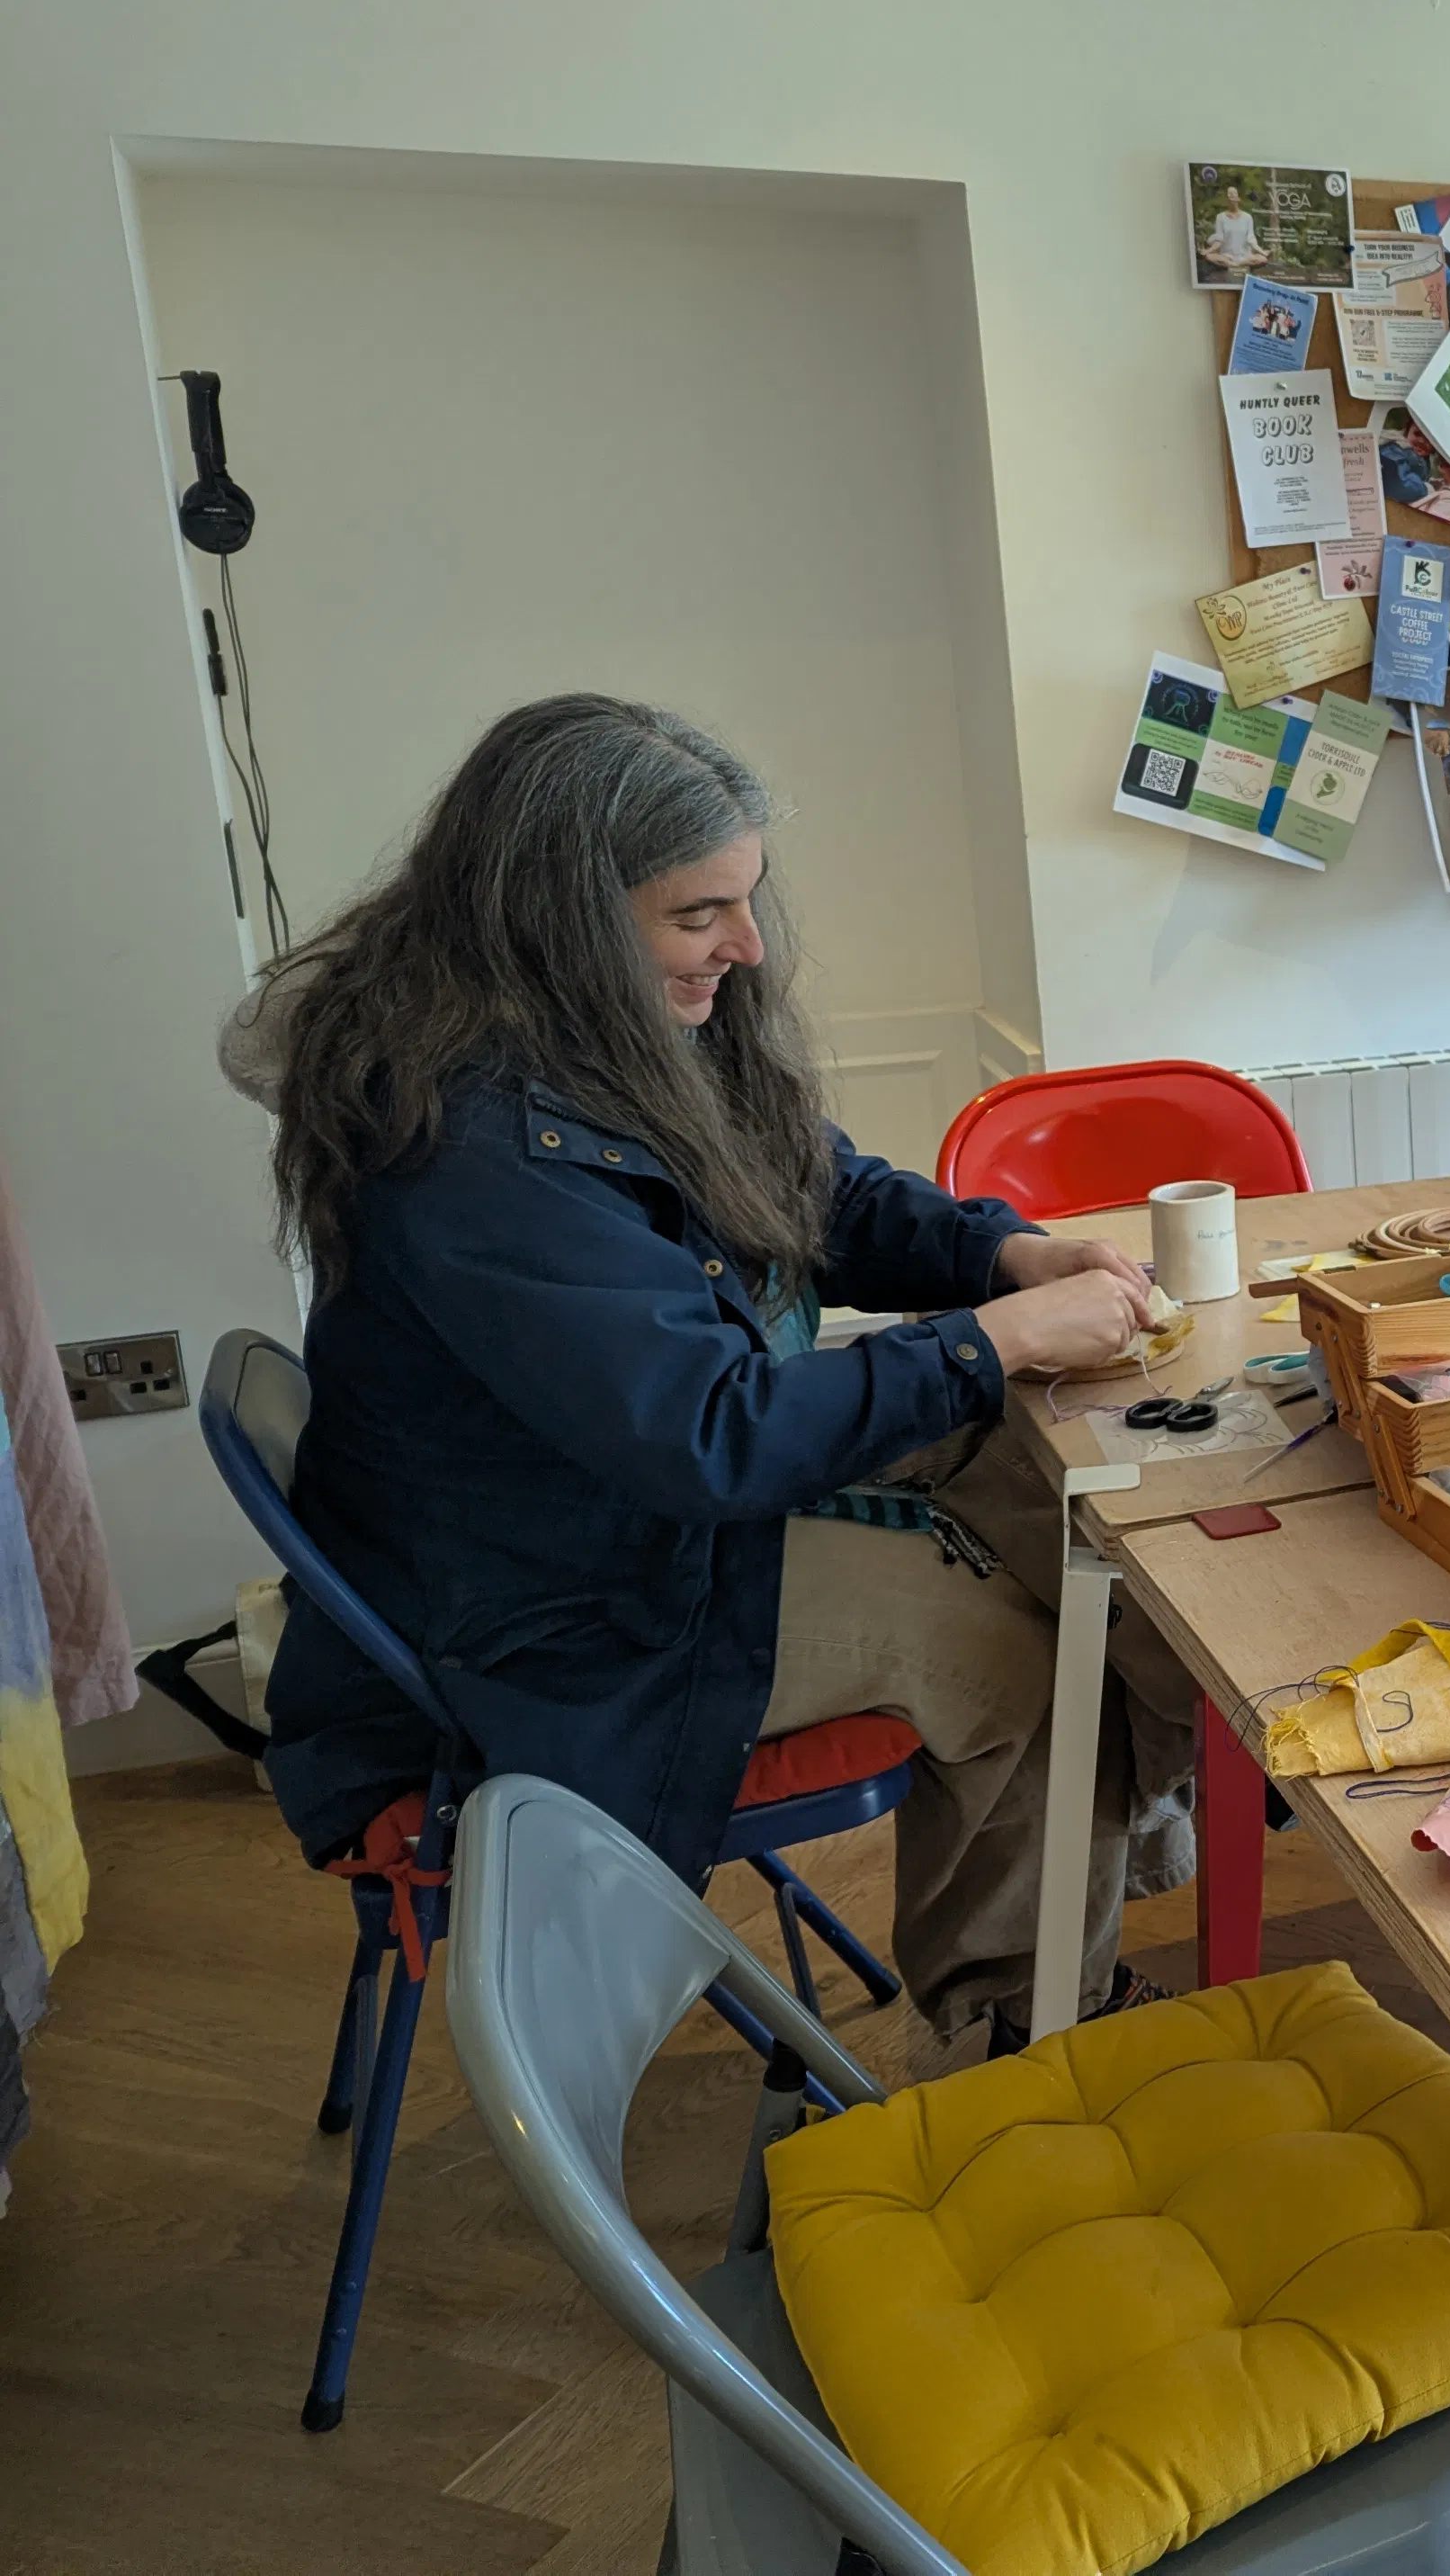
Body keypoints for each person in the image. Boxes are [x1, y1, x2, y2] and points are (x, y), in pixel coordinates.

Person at [226, 696, 1204, 2068]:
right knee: (1028, 1657)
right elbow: (710, 1438)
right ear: (566, 918)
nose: (743, 949)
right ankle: (1022, 2029)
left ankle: (1182, 1790)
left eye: (743, 903)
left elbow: (821, 1188)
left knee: (1067, 1482)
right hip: (555, 1613)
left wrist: (1008, 1252)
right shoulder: (469, 1150)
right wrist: (1000, 1342)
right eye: (699, 916)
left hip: (619, 1512)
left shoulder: (598, 1043)